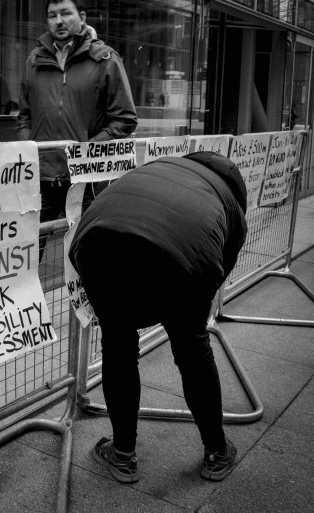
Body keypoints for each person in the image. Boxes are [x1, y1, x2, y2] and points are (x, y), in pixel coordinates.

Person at [69, 152, 248, 483]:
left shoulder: (161, 166)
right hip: (183, 256)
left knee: (118, 344)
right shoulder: (231, 205)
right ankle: (217, 452)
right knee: (192, 349)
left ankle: (122, 454)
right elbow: (217, 270)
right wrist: (182, 316)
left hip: (97, 241)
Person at [18, 0, 137, 233]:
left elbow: (124, 120)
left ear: (81, 17)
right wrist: (30, 152)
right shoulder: (34, 60)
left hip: (86, 180)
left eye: (65, 13)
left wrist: (85, 153)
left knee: (87, 251)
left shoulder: (105, 59)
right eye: (52, 15)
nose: (58, 21)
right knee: (29, 250)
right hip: (42, 178)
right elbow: (24, 116)